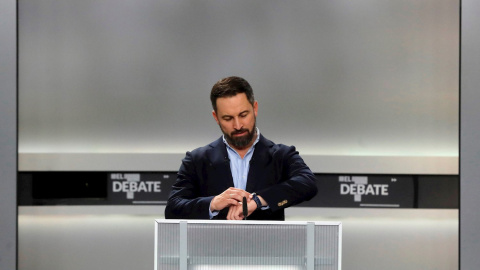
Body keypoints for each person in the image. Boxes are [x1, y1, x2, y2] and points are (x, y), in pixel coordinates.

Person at [164, 76, 317, 220]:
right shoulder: (197, 160)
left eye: (243, 115)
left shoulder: (282, 155)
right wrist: (213, 204)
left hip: (267, 247)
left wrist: (257, 200)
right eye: (228, 118)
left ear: (255, 108)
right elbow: (173, 209)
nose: (238, 125)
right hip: (214, 248)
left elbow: (307, 183)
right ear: (216, 117)